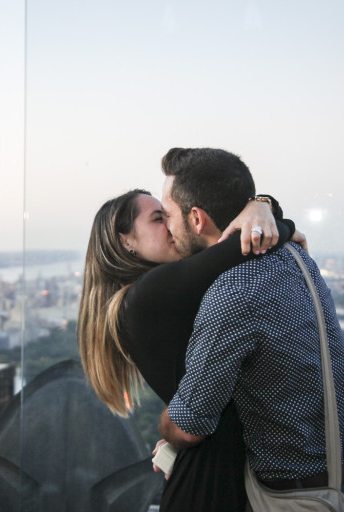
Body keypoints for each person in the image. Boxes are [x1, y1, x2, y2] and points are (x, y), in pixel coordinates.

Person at [156, 148, 344, 511]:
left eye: (168, 215)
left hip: (310, 498)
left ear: (196, 218)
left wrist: (164, 427)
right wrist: (261, 204)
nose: (167, 228)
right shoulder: (294, 252)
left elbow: (190, 424)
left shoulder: (233, 293)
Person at [78, 187, 304, 511]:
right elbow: (248, 246)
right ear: (125, 241)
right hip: (210, 487)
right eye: (159, 219)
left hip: (206, 474)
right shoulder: (150, 294)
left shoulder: (144, 299)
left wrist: (264, 209)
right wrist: (269, 214)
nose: (172, 225)